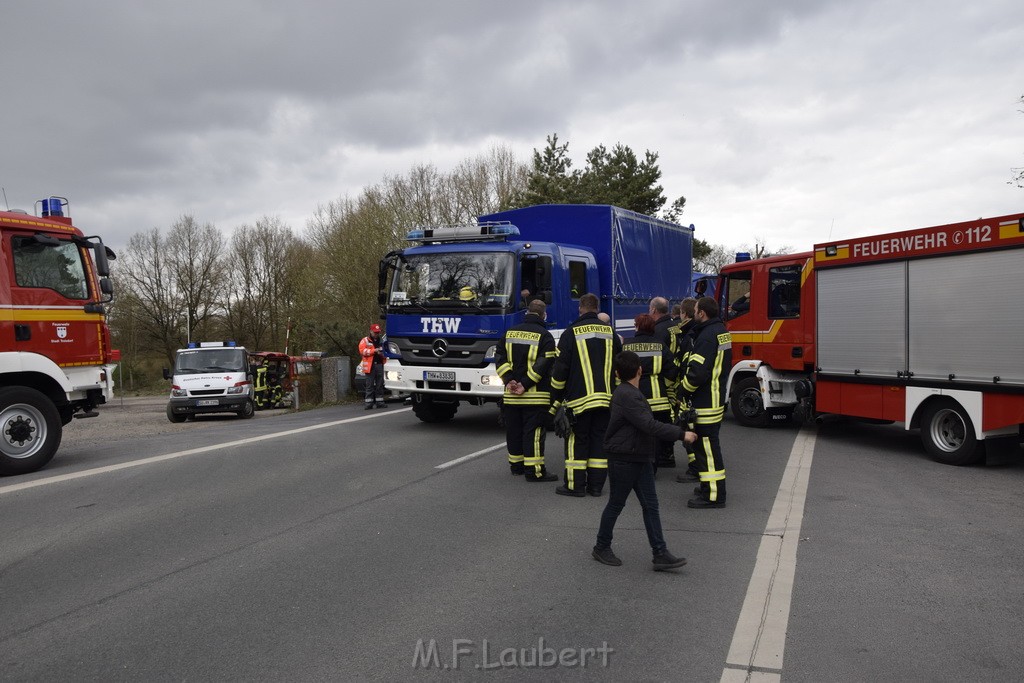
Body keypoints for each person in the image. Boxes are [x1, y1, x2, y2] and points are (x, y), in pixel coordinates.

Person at [592, 350, 695, 570]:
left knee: (651, 505)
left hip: (637, 456)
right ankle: (601, 547)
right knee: (616, 504)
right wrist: (681, 433)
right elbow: (649, 425)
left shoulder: (628, 392)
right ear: (640, 370)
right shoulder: (628, 395)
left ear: (617, 373)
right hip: (625, 458)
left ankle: (660, 553)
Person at [550, 293, 622, 497]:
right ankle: (596, 487)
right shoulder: (610, 332)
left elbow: (560, 370)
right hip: (606, 400)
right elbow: (619, 366)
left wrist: (555, 398)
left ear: (580, 308)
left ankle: (575, 485)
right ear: (597, 308)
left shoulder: (570, 332)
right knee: (599, 443)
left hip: (579, 400)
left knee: (576, 441)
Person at [494, 299, 558, 482]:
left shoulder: (509, 332)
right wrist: (525, 384)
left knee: (514, 431)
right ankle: (535, 471)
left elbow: (499, 358)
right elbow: (544, 364)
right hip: (535, 396)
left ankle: (516, 467)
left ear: (526, 313)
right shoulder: (545, 336)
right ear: (543, 314)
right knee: (534, 433)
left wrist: (509, 381)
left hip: (512, 395)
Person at [679, 297, 732, 508]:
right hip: (714, 399)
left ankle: (714, 496)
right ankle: (707, 486)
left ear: (702, 313)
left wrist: (683, 390)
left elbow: (698, 374)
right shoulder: (720, 330)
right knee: (705, 450)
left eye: (697, 310)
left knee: (708, 451)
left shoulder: (707, 336)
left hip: (705, 402)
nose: (694, 313)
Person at [621, 314, 676, 475]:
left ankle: (635, 466)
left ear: (636, 327)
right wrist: (664, 386)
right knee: (654, 435)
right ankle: (651, 469)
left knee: (634, 433)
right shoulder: (660, 345)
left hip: (633, 398)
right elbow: (672, 371)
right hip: (658, 400)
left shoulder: (626, 346)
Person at [648, 297, 679, 468]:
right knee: (669, 418)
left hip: (665, 382)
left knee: (662, 420)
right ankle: (668, 453)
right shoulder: (674, 326)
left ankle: (664, 454)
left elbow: (657, 358)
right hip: (676, 378)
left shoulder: (658, 330)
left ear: (653, 310)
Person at [674, 298, 702, 484]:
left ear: (684, 313)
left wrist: (681, 390)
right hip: (698, 392)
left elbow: (684, 365)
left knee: (689, 428)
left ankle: (695, 469)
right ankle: (696, 466)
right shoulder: (695, 331)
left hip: (689, 391)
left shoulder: (689, 335)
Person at [358, 323, 387, 409]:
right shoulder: (365, 340)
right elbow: (362, 351)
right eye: (375, 332)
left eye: (378, 332)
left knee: (379, 385)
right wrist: (374, 351)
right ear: (370, 331)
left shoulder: (382, 341)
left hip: (380, 365)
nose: (376, 334)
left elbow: (386, 351)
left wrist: (382, 353)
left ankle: (380, 402)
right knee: (369, 385)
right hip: (370, 366)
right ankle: (368, 403)